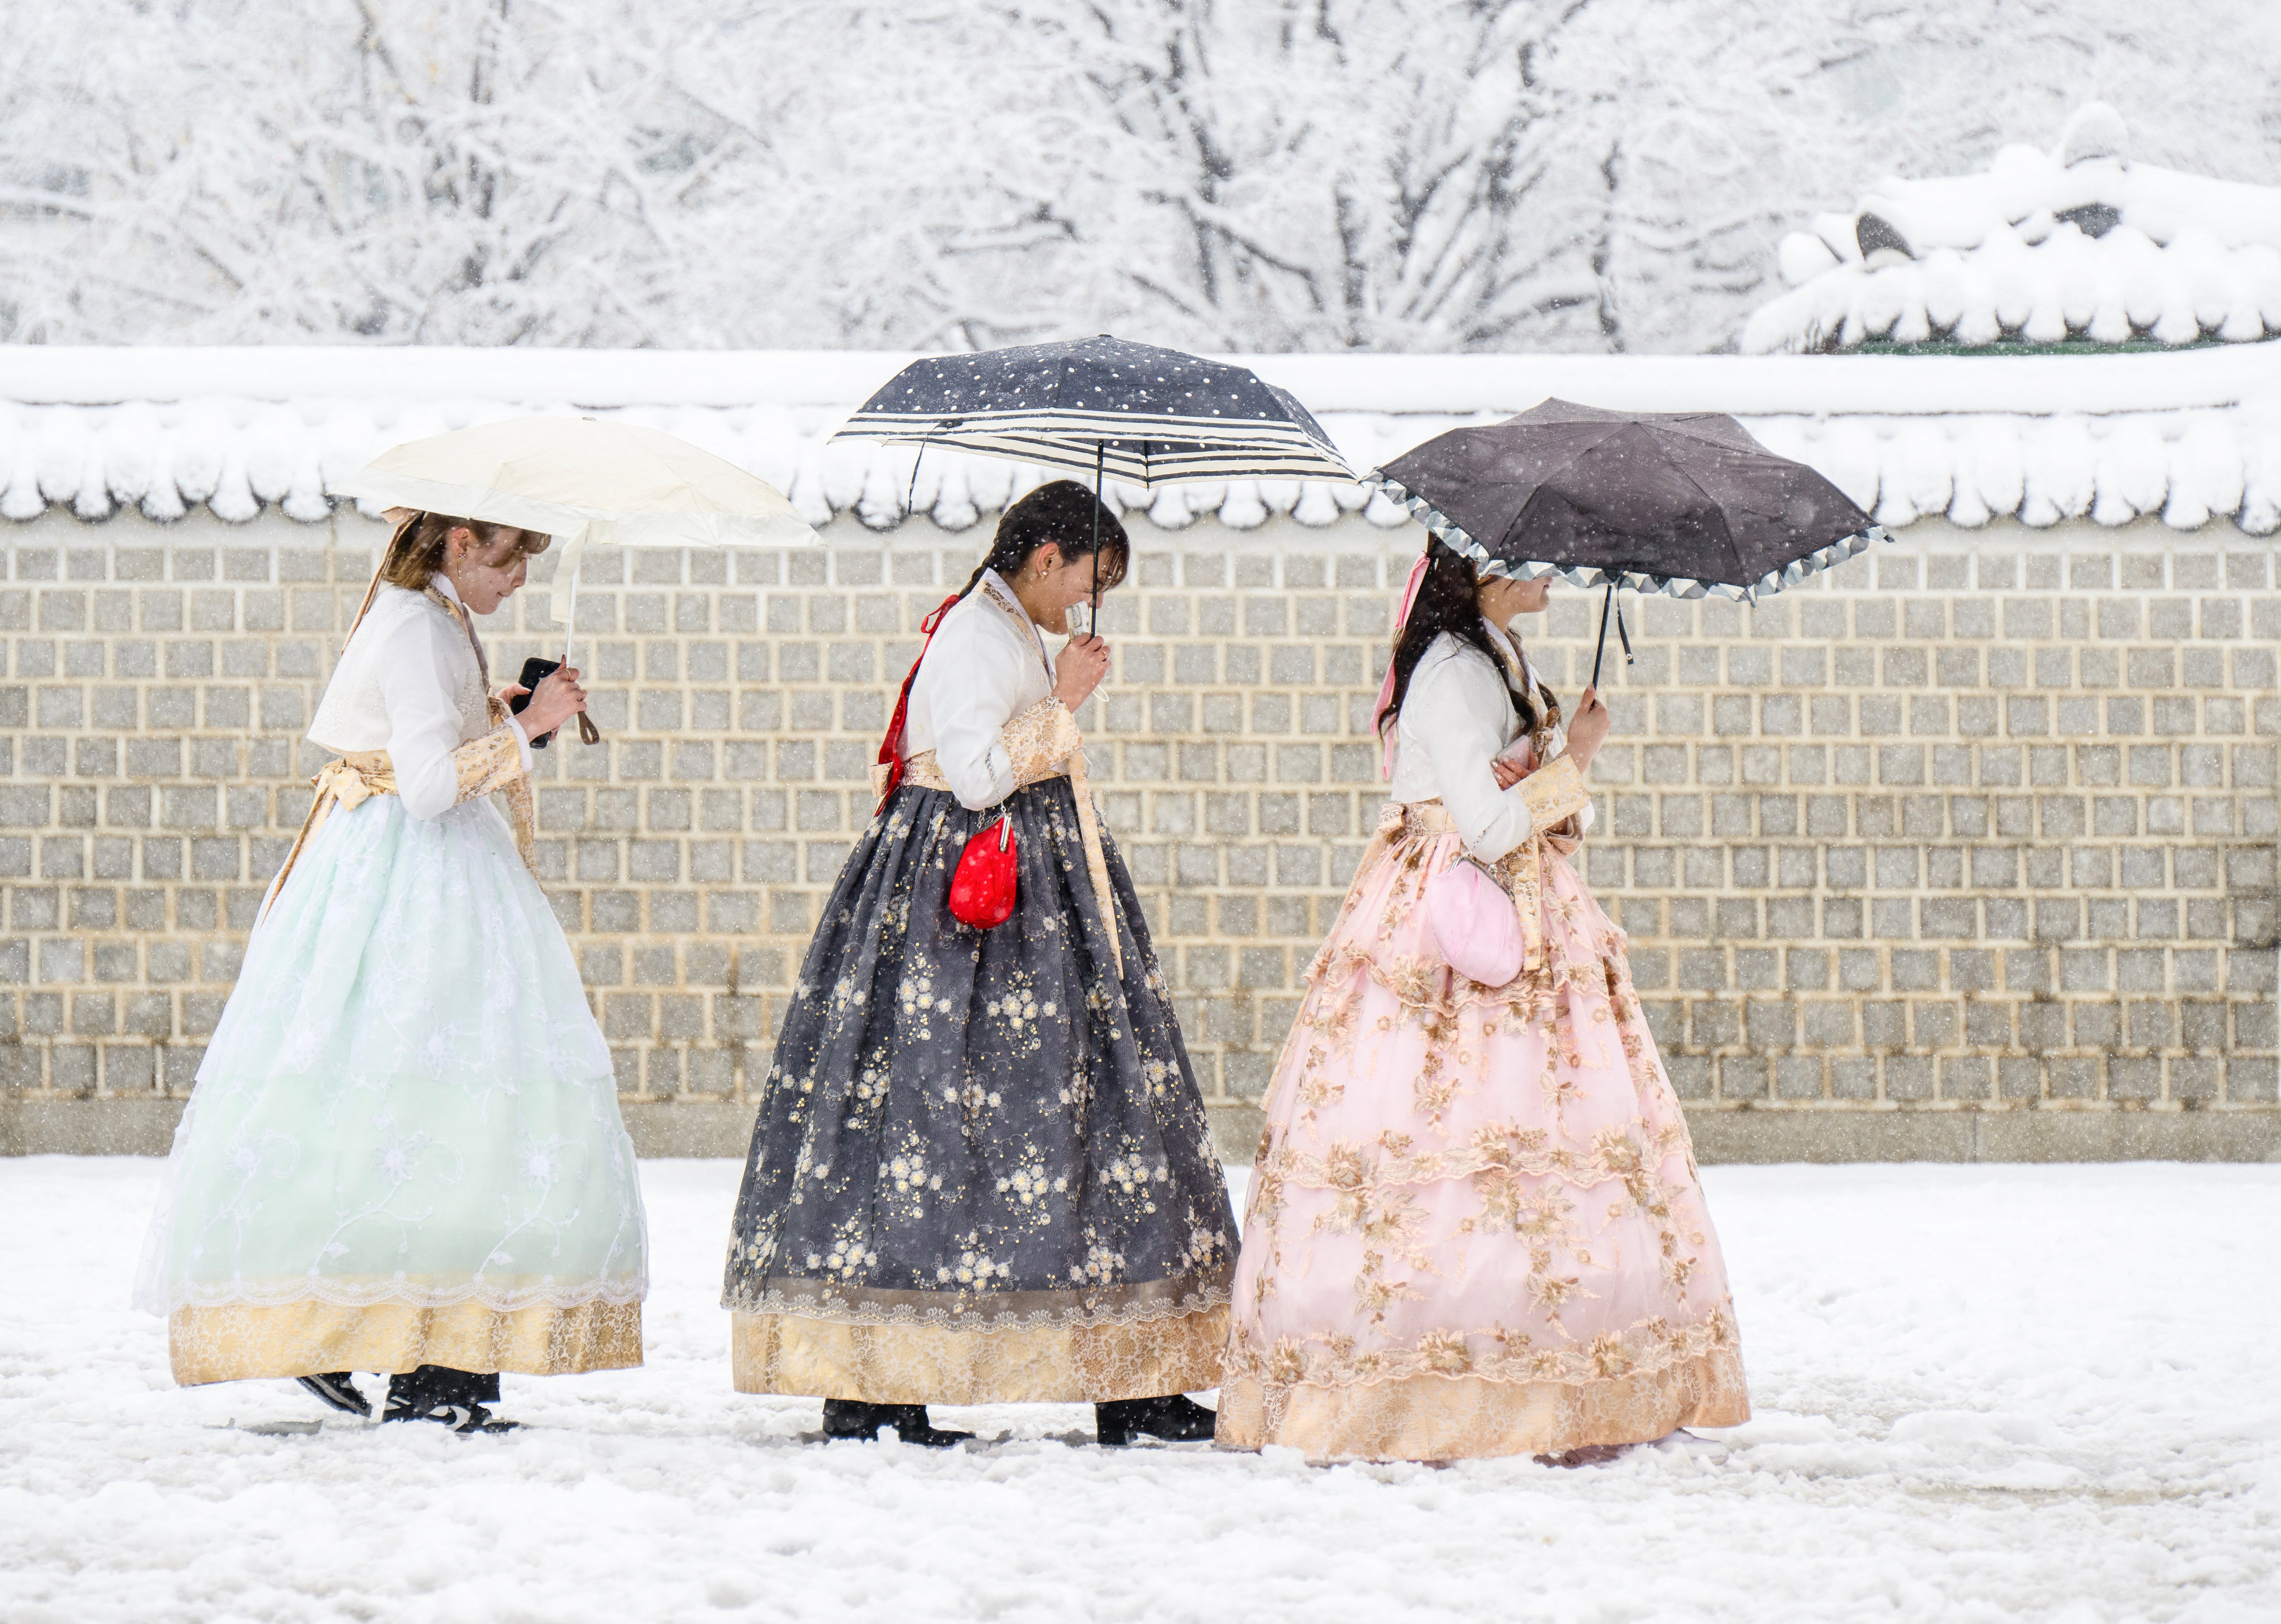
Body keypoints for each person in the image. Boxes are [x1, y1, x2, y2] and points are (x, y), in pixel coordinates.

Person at [722, 481, 1236, 1447]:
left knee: (1100, 1112)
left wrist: (1054, 694)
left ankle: (1136, 1369)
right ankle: (875, 1381)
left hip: (1037, 895)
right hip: (962, 908)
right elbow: (972, 775)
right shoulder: (973, 634)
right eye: (1089, 579)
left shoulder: (1006, 633)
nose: (1087, 604)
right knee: (931, 1120)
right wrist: (1066, 702)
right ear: (1045, 557)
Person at [1218, 540, 1750, 1463]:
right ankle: (1426, 1375)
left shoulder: (1501, 655)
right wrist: (1565, 764)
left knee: (1539, 1144)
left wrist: (1565, 757)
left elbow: (1541, 817)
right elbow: (1491, 823)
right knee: (1434, 1137)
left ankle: (1545, 1358)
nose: (1558, 576)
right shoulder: (1454, 672)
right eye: (1539, 563)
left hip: (1519, 903)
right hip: (1450, 920)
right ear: (1485, 574)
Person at [133, 510, 649, 1432]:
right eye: (509, 558)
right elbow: (425, 787)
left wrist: (516, 714)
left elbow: (440, 746)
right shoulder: (415, 624)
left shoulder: (441, 618)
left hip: (434, 877)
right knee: (424, 1099)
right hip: (413, 885)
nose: (520, 578)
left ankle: (421, 1356)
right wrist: (528, 724)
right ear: (457, 544)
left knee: (435, 1110)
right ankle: (394, 1353)